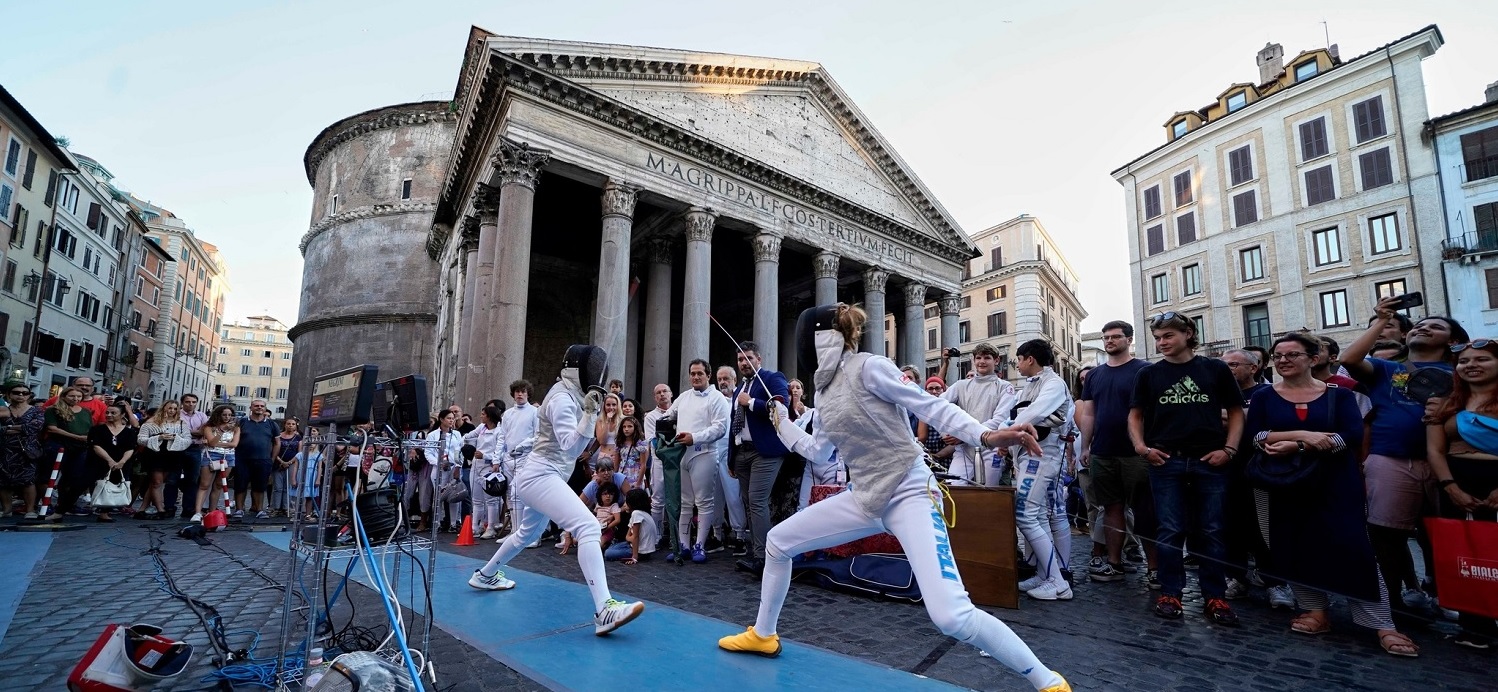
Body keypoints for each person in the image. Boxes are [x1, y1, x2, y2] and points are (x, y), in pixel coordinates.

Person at [717, 304, 1070, 692]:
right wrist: (782, 424)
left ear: (819, 338)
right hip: (864, 496)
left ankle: (1048, 680)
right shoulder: (824, 389)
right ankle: (764, 635)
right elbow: (818, 450)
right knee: (779, 542)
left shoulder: (870, 366)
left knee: (952, 617)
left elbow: (929, 404)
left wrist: (985, 436)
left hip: (909, 491)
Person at [1246, 334, 1417, 657]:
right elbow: (1255, 435)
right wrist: (1305, 435)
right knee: (1291, 543)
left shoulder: (1338, 396)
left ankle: (1382, 623)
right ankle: (1315, 610)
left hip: (1335, 481)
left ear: (1313, 359)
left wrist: (1298, 445)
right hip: (1282, 483)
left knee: (1353, 547)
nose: (1283, 360)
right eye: (1278, 355)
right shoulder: (1266, 396)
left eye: (1292, 354)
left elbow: (1350, 435)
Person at [471, 345, 646, 637]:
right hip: (541, 475)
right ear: (578, 369)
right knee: (588, 526)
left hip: (540, 476)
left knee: (526, 534)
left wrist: (590, 411)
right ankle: (604, 609)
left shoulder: (571, 396)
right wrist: (590, 415)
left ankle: (485, 575)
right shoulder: (563, 399)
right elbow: (572, 446)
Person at [1342, 297, 1467, 618]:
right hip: (1390, 458)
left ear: (1453, 342)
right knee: (1387, 532)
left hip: (1450, 462)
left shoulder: (1462, 372)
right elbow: (1350, 358)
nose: (1425, 328)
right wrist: (1382, 320)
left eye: (1435, 326)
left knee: (1442, 532)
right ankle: (1393, 597)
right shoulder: (1387, 368)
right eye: (1421, 325)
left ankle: (1444, 592)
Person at [1128, 312, 1244, 625]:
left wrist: (1229, 450)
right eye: (1158, 338)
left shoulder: (1215, 368)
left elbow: (1236, 411)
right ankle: (1170, 592)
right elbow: (1135, 415)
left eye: (1168, 336)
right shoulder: (1149, 375)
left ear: (1188, 334)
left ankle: (1214, 595)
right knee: (1169, 529)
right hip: (1166, 460)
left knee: (1213, 530)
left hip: (1210, 460)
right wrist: (1141, 447)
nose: (1162, 343)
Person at [1424, 338, 1498, 649]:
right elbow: (1435, 449)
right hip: (1457, 479)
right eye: (1465, 361)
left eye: (1481, 360)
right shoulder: (1444, 402)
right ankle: (1476, 626)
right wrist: (1450, 486)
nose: (1471, 366)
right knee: (1466, 554)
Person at [1077, 320, 1157, 586]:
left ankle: (1154, 569)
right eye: (1106, 337)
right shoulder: (1095, 375)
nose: (1109, 341)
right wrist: (1086, 446)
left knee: (1145, 511)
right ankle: (1114, 563)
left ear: (1129, 340)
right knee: (1110, 508)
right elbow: (1089, 413)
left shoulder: (1145, 370)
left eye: (1115, 337)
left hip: (1136, 454)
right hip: (1103, 452)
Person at [1002, 339, 1074, 601]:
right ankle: (1045, 574)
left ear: (1029, 359)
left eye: (1018, 360)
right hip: (1027, 457)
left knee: (1026, 515)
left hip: (1041, 457)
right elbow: (1013, 417)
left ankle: (1058, 581)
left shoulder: (1053, 384)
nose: (1017, 365)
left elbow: (1030, 415)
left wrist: (999, 436)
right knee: (1037, 516)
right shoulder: (1030, 386)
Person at [1219, 348, 1291, 607]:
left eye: (1234, 364)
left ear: (1254, 368)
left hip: (1262, 471)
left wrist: (1234, 417)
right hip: (1226, 471)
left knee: (1265, 529)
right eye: (1224, 365)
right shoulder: (1216, 394)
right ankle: (1235, 577)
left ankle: (1276, 583)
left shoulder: (1266, 393)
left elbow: (1258, 422)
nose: (1228, 369)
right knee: (1229, 528)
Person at [728, 341, 791, 574]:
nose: (744, 363)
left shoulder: (772, 378)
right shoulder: (739, 388)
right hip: (741, 452)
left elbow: (781, 408)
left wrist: (752, 403)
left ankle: (765, 558)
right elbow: (733, 424)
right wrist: (731, 459)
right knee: (748, 502)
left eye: (749, 358)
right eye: (741, 360)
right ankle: (755, 552)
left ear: (759, 359)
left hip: (765, 452)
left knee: (756, 501)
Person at [660, 359, 730, 563]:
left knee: (704, 501)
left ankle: (700, 544)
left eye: (700, 373)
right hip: (682, 454)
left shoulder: (717, 398)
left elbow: (720, 428)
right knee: (685, 502)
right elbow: (668, 416)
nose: (696, 377)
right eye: (692, 373)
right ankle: (683, 545)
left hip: (704, 453)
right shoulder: (683, 397)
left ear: (708, 375)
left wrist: (695, 437)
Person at [941, 342, 1017, 485]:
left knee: (988, 493)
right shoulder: (960, 385)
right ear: (974, 360)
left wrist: (964, 435)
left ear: (996, 360)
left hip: (991, 447)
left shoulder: (1005, 387)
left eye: (987, 358)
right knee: (954, 488)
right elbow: (938, 408)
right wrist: (947, 434)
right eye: (978, 358)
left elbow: (999, 420)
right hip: (963, 450)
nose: (982, 362)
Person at [498, 379, 539, 543]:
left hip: (526, 457)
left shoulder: (534, 412)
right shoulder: (508, 414)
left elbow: (538, 435)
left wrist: (522, 446)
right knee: (510, 495)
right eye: (517, 392)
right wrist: (497, 459)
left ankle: (526, 534)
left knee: (519, 492)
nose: (520, 394)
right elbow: (502, 437)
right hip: (508, 459)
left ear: (528, 393)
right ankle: (515, 532)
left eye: (523, 391)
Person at [44, 387, 95, 519]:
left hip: (80, 448)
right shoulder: (53, 410)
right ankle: (46, 505)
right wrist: (75, 436)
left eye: (78, 396)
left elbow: (90, 428)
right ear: (64, 396)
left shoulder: (85, 411)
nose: (76, 399)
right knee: (50, 476)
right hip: (60, 446)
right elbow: (52, 428)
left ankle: (65, 505)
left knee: (74, 477)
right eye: (72, 396)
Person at [715, 364, 749, 555]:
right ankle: (717, 533)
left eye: (726, 378)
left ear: (734, 379)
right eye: (719, 379)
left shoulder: (739, 398)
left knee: (734, 495)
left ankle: (739, 535)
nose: (722, 382)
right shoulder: (715, 399)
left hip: (732, 451)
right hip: (714, 451)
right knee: (714, 497)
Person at [139, 401, 191, 519]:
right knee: (157, 482)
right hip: (155, 453)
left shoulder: (182, 423)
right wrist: (159, 437)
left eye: (175, 408)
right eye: (169, 408)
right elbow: (141, 439)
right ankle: (161, 510)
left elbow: (188, 440)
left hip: (173, 454)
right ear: (164, 408)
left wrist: (176, 438)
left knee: (157, 482)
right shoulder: (151, 422)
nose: (172, 411)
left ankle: (142, 508)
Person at [88, 403, 139, 523]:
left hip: (121, 463)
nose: (109, 415)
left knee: (115, 484)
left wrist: (122, 461)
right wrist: (109, 460)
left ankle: (105, 512)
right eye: (107, 412)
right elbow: (96, 446)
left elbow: (130, 448)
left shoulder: (129, 432)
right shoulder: (97, 429)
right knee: (96, 483)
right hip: (99, 461)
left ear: (122, 415)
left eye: (113, 413)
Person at [0, 382, 43, 518]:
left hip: (27, 450)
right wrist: (18, 428)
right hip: (5, 449)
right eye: (16, 392)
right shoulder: (4, 410)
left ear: (29, 396)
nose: (20, 395)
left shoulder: (36, 411)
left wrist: (10, 428)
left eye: (24, 393)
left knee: (28, 480)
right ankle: (7, 510)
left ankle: (30, 510)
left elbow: (35, 427)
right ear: (9, 395)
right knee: (3, 480)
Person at [465, 405, 506, 539]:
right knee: (476, 499)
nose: (481, 416)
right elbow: (468, 436)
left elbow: (500, 451)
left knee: (491, 499)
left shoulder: (499, 431)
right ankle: (474, 527)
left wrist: (485, 456)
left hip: (489, 467)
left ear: (489, 416)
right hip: (476, 466)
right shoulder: (481, 428)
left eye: (483, 414)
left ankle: (490, 527)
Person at [234, 400, 280, 519]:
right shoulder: (241, 422)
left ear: (265, 408)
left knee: (260, 486)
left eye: (261, 406)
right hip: (242, 459)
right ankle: (239, 509)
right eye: (256, 406)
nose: (259, 408)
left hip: (263, 460)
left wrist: (272, 458)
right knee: (240, 485)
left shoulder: (271, 424)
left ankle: (260, 509)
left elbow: (277, 443)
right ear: (251, 407)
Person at [425, 409, 465, 533]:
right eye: (448, 418)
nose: (451, 421)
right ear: (441, 419)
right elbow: (428, 452)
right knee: (439, 496)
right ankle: (437, 523)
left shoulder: (457, 434)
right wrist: (438, 463)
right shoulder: (433, 435)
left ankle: (454, 523)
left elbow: (460, 452)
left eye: (452, 418)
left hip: (454, 468)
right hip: (439, 469)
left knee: (455, 495)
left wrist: (458, 466)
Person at [198, 404, 240, 520]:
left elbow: (234, 444)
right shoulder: (209, 427)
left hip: (228, 456)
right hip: (211, 455)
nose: (227, 417)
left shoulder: (235, 427)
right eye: (224, 415)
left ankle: (212, 511)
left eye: (230, 415)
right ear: (218, 415)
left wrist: (217, 443)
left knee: (219, 485)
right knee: (204, 484)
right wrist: (221, 433)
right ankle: (197, 512)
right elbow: (212, 443)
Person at [172, 394, 209, 520]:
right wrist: (196, 432)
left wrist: (186, 431)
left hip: (195, 449)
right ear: (182, 403)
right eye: (188, 402)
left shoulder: (201, 415)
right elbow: (176, 430)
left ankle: (188, 509)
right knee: (173, 478)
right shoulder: (176, 414)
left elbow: (205, 431)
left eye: (194, 402)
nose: (191, 404)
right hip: (177, 448)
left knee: (193, 479)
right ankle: (169, 508)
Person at [605, 488, 658, 563]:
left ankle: (634, 555)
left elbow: (635, 537)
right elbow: (628, 536)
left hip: (640, 551)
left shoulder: (636, 513)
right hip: (632, 544)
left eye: (627, 502)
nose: (624, 505)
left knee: (608, 553)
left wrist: (634, 557)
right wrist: (630, 538)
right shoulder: (640, 513)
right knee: (612, 547)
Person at [290, 427, 325, 520]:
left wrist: (318, 479)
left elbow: (320, 467)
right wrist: (293, 479)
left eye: (313, 443)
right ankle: (296, 514)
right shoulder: (300, 455)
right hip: (301, 476)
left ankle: (308, 514)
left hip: (312, 477)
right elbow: (295, 467)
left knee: (310, 497)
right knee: (298, 496)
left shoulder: (318, 455)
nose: (311, 445)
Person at [272, 418, 302, 518]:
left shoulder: (298, 438)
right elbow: (274, 449)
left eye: (293, 424)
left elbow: (299, 452)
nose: (290, 426)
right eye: (288, 424)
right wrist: (281, 461)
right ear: (284, 425)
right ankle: (276, 508)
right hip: (278, 463)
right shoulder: (278, 436)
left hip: (292, 463)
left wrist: (289, 462)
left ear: (296, 426)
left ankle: (286, 507)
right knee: (278, 486)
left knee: (288, 487)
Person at [614, 416, 649, 493]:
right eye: (624, 427)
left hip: (635, 473)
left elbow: (643, 465)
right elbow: (616, 463)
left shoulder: (640, 444)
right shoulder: (619, 443)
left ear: (635, 428)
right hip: (622, 473)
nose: (626, 429)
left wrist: (638, 483)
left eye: (630, 426)